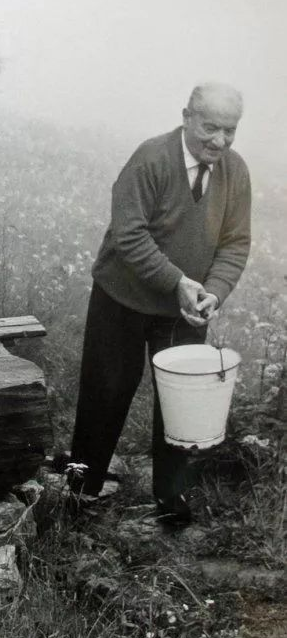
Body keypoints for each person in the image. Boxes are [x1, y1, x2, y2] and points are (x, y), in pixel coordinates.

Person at [69, 82, 251, 524]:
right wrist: (176, 282)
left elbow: (235, 243)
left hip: (187, 308)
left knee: (181, 404)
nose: (220, 141)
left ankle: (171, 501)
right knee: (107, 391)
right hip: (122, 298)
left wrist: (214, 292)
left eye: (230, 131)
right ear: (186, 116)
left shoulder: (235, 172)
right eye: (211, 127)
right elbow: (129, 234)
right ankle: (80, 493)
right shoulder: (150, 158)